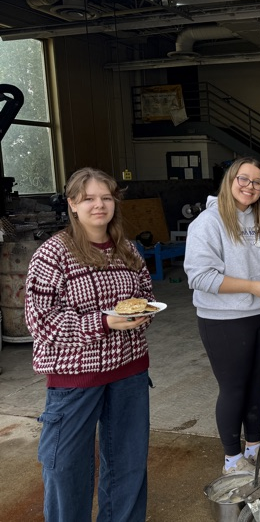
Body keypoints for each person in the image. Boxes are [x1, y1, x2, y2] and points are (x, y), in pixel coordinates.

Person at [25, 167, 154, 521]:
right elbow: (41, 322)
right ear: (73, 204)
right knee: (66, 470)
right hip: (76, 380)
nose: (100, 205)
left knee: (128, 466)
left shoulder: (126, 249)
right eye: (89, 199)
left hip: (129, 373)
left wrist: (143, 314)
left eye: (107, 198)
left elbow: (145, 295)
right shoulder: (54, 254)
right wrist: (103, 322)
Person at [184, 157, 260, 476]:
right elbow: (200, 277)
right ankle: (232, 460)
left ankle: (255, 450)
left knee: (258, 383)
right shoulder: (208, 222)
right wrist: (250, 286)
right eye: (243, 179)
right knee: (234, 388)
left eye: (257, 183)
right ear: (230, 180)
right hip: (224, 320)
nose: (250, 187)